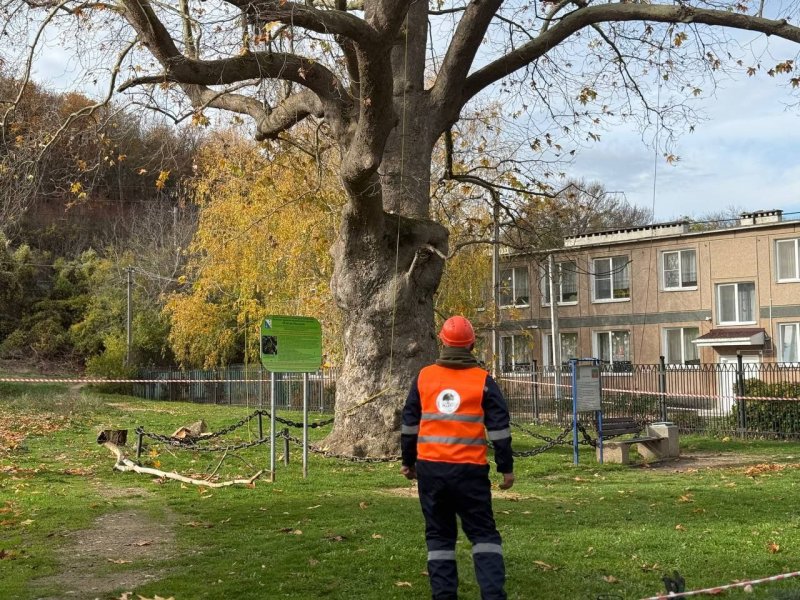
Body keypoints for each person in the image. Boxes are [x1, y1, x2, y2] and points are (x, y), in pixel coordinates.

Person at [401, 315, 515, 600]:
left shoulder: (424, 377)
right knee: (483, 535)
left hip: (431, 471)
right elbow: (499, 430)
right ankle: (493, 595)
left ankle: (444, 595)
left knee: (439, 536)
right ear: (472, 345)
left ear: (442, 341)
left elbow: (409, 425)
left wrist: (408, 461)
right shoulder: (483, 381)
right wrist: (506, 468)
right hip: (470, 472)